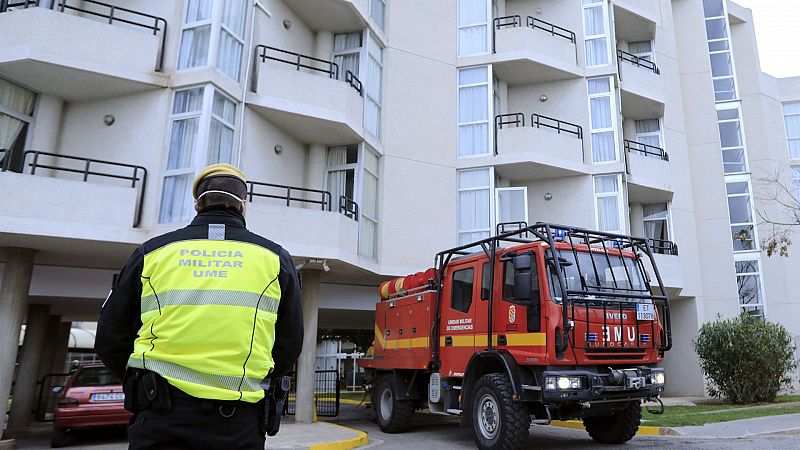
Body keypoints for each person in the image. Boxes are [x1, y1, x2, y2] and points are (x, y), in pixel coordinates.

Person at [95, 163, 303, 449]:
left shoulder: (152, 253)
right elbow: (289, 344)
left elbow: (110, 337)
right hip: (237, 425)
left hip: (160, 418)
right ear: (243, 207)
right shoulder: (275, 259)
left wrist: (144, 382)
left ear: (197, 204)